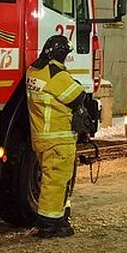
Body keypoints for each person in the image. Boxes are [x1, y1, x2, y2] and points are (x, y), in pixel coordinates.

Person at [26, 34, 89, 238]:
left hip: (42, 138)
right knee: (57, 182)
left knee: (50, 180)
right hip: (59, 139)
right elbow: (77, 95)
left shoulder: (34, 71)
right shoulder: (56, 75)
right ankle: (50, 224)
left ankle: (56, 220)